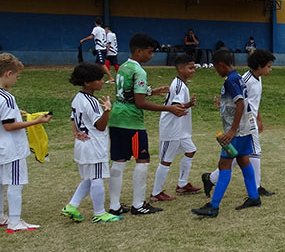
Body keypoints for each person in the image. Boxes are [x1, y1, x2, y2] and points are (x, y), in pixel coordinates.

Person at [108, 33, 187, 216]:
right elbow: (140, 103)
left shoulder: (123, 67)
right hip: (132, 122)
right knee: (142, 160)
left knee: (119, 161)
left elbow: (128, 92)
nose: (151, 56)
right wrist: (168, 108)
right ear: (138, 51)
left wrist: (151, 91)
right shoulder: (140, 71)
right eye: (149, 52)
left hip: (116, 119)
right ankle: (138, 204)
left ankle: (114, 205)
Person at [191, 49, 262, 217]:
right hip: (245, 129)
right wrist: (222, 105)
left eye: (216, 67)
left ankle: (213, 206)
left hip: (237, 132)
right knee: (244, 161)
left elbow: (240, 104)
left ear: (221, 65)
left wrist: (232, 130)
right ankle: (254, 197)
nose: (216, 71)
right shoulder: (237, 78)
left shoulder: (231, 80)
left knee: (224, 164)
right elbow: (237, 102)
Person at [202, 49, 276, 198]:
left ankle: (211, 178)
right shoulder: (245, 79)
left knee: (241, 154)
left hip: (251, 120)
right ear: (259, 65)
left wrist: (259, 118)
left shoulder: (258, 78)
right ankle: (255, 188)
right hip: (244, 123)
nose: (270, 69)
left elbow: (252, 102)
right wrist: (223, 105)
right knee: (251, 152)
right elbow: (238, 101)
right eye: (268, 66)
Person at [60, 63, 121, 223]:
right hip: (94, 145)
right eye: (98, 79)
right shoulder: (92, 102)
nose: (102, 82)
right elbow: (100, 126)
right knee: (97, 178)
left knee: (90, 177)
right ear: (87, 82)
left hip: (82, 144)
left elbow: (73, 118)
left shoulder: (77, 98)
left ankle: (72, 206)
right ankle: (99, 213)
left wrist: (75, 132)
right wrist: (107, 110)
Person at [0, 53, 52, 232]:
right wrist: (36, 121)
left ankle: (1, 216)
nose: (16, 80)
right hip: (11, 148)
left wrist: (16, 112)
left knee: (1, 182)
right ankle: (14, 222)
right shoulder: (7, 98)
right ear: (8, 74)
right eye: (16, 76)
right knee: (15, 182)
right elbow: (9, 125)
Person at [149, 55, 200, 202]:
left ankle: (182, 185)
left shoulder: (182, 84)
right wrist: (188, 105)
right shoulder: (178, 85)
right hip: (171, 128)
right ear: (180, 69)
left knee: (190, 150)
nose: (193, 71)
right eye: (190, 68)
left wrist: (188, 104)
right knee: (166, 160)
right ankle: (156, 193)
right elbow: (175, 107)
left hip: (181, 129)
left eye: (194, 68)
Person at [79, 16, 115, 83]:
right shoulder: (103, 30)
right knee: (97, 65)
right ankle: (98, 78)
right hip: (103, 48)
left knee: (102, 64)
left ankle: (110, 77)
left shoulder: (96, 29)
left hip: (100, 49)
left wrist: (83, 40)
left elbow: (91, 37)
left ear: (95, 23)